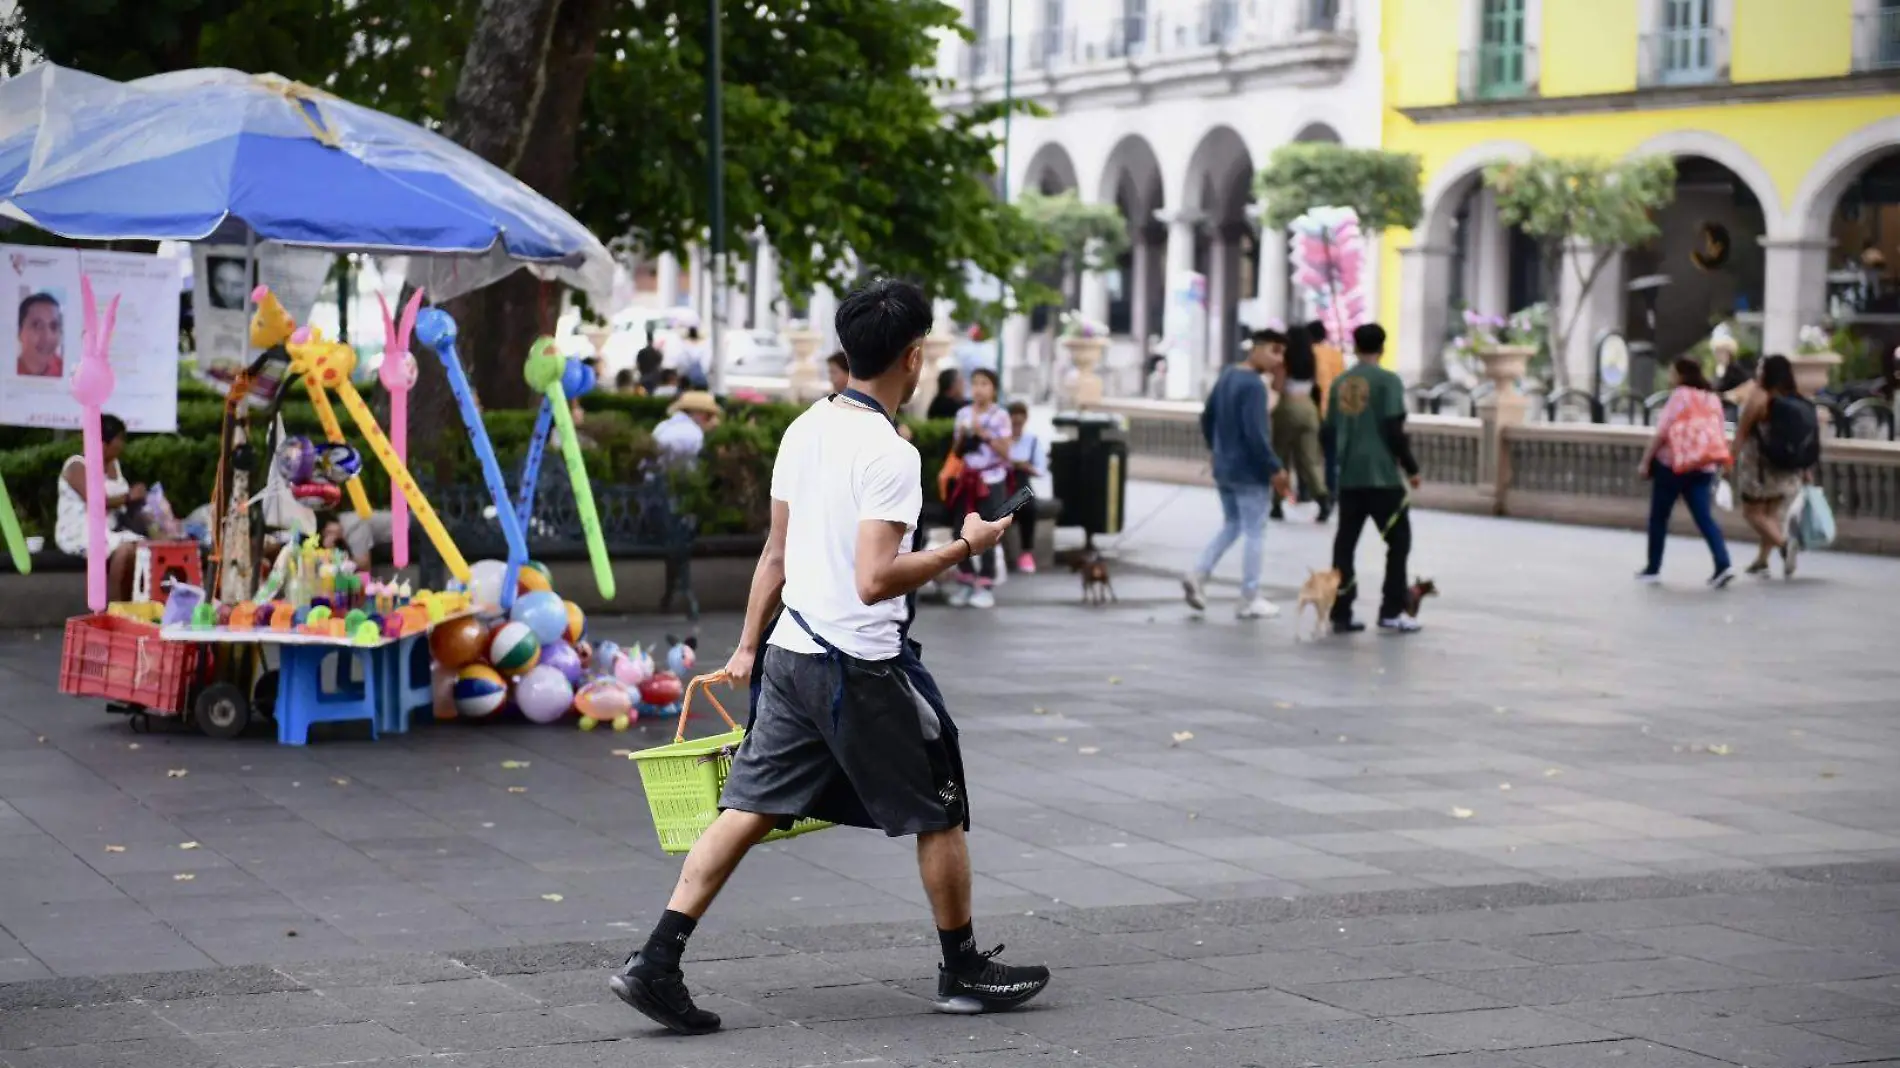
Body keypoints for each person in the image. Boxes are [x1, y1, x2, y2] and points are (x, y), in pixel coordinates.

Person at [610, 279, 1045, 1035]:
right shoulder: (890, 453)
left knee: (746, 809)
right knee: (940, 808)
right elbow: (876, 579)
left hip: (790, 653)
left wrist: (749, 645)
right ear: (913, 359)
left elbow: (774, 554)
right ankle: (964, 967)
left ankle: (656, 961)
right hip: (860, 669)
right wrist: (963, 546)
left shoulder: (806, 427)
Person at [1181, 329, 1291, 620]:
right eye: (1274, 351)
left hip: (1225, 466)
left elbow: (1207, 416)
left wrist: (1215, 448)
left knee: (1233, 524)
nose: (1278, 359)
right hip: (1249, 471)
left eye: (1282, 353)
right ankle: (1249, 596)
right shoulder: (1254, 386)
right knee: (1255, 531)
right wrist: (1275, 467)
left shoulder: (1228, 375)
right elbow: (1256, 434)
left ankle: (1198, 573)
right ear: (1256, 349)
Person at [1326, 324, 1422, 634]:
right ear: (1382, 347)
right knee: (1398, 542)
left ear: (1355, 347)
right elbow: (1394, 430)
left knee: (1345, 544)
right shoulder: (1388, 382)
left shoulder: (1339, 383)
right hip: (1382, 479)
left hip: (1350, 478)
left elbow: (1327, 432)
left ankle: (1341, 610)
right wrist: (1411, 468)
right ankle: (1390, 610)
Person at [1637, 358, 1734, 588]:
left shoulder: (1680, 395)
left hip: (1672, 465)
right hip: (1703, 465)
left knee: (1659, 517)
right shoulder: (1712, 399)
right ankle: (1723, 563)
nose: (1670, 378)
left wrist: (1645, 461)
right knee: (1704, 517)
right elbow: (1718, 432)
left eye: (1672, 373)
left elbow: (1662, 432)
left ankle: (1653, 568)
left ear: (1681, 375)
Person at [1732, 354, 1813, 578]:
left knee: (1752, 513)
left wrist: (1728, 462)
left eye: (1760, 367)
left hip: (1759, 466)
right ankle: (1762, 560)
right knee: (1770, 514)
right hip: (1787, 467)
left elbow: (1741, 434)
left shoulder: (1758, 397)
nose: (1757, 371)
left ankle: (1784, 545)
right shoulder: (1794, 396)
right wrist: (1806, 467)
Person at [55, 414, 145, 601]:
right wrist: (129, 497)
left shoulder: (114, 465)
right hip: (81, 530)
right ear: (103, 443)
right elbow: (97, 501)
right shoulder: (76, 466)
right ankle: (113, 608)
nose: (122, 445)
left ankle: (131, 604)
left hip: (110, 529)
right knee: (124, 551)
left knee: (142, 549)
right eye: (119, 439)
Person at [945, 368, 1013, 608]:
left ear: (993, 388)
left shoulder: (1000, 416)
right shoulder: (963, 413)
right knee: (959, 530)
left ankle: (985, 584)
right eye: (975, 383)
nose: (978, 389)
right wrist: (964, 436)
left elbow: (1006, 452)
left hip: (991, 480)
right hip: (967, 479)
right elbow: (957, 451)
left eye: (984, 384)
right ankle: (965, 581)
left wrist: (983, 434)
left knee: (990, 530)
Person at [1270, 328, 1331, 523]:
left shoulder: (1283, 361)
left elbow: (1277, 387)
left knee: (1280, 458)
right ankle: (1322, 499)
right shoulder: (1311, 360)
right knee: (1310, 460)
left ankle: (1277, 503)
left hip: (1287, 407)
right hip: (1309, 408)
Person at [1005, 400, 1046, 574]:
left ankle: (1026, 553)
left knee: (1028, 508)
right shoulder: (1002, 440)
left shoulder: (1032, 441)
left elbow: (1041, 469)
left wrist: (1026, 467)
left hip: (1021, 484)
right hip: (1003, 483)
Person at [1309, 321, 1346, 500]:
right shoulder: (1336, 354)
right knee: (1331, 456)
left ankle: (1307, 491)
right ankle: (1332, 490)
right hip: (1333, 413)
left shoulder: (1308, 354)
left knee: (1308, 455)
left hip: (1313, 412)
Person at [653, 390, 721, 463]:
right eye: (709, 415)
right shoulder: (695, 434)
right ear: (699, 413)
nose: (710, 420)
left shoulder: (662, 426)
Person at [17, 292, 62, 379]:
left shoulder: (68, 373)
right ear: (19, 332)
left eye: (54, 326)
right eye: (37, 326)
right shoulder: (6, 372)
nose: (47, 337)